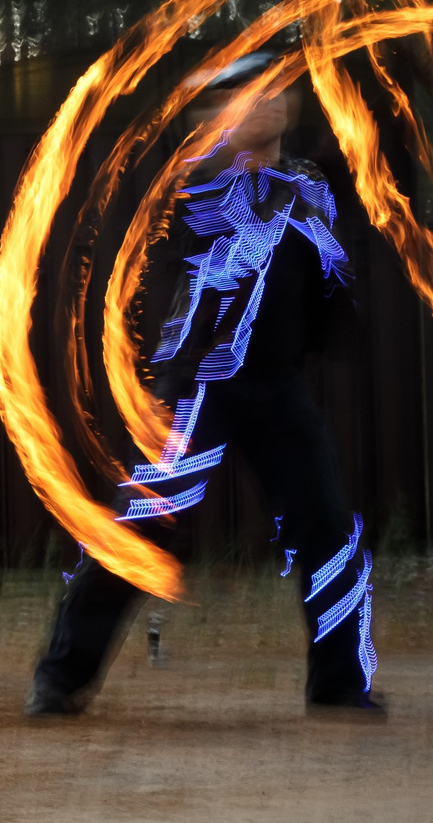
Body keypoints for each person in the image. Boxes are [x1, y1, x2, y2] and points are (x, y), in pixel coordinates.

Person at [26, 51, 382, 718]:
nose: (271, 103)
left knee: (327, 524)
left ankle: (338, 685)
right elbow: (207, 233)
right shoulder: (196, 183)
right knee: (144, 527)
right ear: (217, 112)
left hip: (276, 388)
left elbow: (329, 275)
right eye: (251, 94)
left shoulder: (309, 185)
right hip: (198, 388)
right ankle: (60, 676)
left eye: (279, 92)